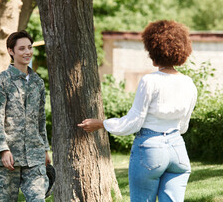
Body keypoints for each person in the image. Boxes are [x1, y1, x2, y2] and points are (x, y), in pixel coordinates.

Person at [78, 20, 197, 202]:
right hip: (178, 149)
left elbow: (134, 122)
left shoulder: (150, 81)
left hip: (150, 148)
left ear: (153, 50)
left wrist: (102, 123)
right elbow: (183, 125)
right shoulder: (189, 83)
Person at [0, 30, 51, 202]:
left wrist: (44, 149)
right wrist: (2, 149)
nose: (27, 52)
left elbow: (40, 119)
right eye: (22, 48)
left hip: (34, 156)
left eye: (29, 47)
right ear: (11, 51)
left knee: (38, 199)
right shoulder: (1, 82)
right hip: (6, 158)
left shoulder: (38, 82)